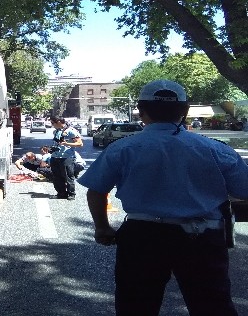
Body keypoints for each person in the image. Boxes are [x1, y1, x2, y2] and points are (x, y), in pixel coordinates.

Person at [78, 80, 248, 316]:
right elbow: (244, 191)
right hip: (201, 238)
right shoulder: (215, 149)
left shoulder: (123, 148)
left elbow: (96, 190)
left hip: (141, 237)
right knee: (213, 306)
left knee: (135, 307)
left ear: (141, 110)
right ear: (185, 110)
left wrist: (103, 228)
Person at [49, 116, 83, 200]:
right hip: (55, 156)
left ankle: (71, 194)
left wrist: (67, 144)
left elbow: (80, 144)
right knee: (56, 177)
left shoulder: (71, 131)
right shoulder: (56, 131)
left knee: (68, 176)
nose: (52, 125)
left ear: (59, 122)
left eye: (53, 123)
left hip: (66, 157)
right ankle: (61, 193)